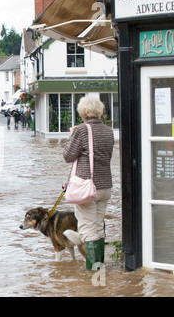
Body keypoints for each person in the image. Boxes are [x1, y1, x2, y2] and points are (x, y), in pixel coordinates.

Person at [63, 96, 114, 270]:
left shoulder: (81, 130)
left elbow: (68, 156)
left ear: (82, 112)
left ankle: (94, 274)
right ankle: (100, 269)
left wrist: (71, 136)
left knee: (88, 230)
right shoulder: (108, 131)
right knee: (98, 227)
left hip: (87, 188)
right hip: (105, 185)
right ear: (99, 111)